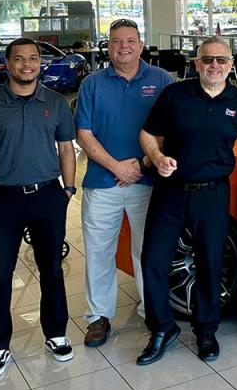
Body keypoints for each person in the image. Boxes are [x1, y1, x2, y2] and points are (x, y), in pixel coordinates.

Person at [137, 37, 237, 365]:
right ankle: (163, 328)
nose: (215, 66)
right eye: (208, 60)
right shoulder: (175, 94)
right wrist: (157, 155)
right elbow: (148, 134)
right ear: (196, 63)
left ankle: (206, 330)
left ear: (231, 65)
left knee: (210, 263)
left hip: (213, 193)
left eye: (221, 61)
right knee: (153, 259)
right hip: (171, 190)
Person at [0, 38, 77, 379]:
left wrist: (67, 190)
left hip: (47, 196)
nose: (27, 65)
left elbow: (66, 148)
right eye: (19, 59)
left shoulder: (55, 103)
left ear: (40, 63)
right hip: (4, 200)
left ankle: (55, 334)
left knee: (52, 270)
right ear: (8, 64)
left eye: (33, 59)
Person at [74, 18, 173, 348]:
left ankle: (152, 311)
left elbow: (168, 129)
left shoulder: (160, 79)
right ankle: (99, 316)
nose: (124, 46)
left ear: (141, 45)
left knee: (147, 251)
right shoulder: (92, 84)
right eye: (116, 41)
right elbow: (84, 134)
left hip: (148, 182)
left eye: (130, 40)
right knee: (100, 252)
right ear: (108, 46)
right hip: (102, 182)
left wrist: (141, 164)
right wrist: (117, 166)